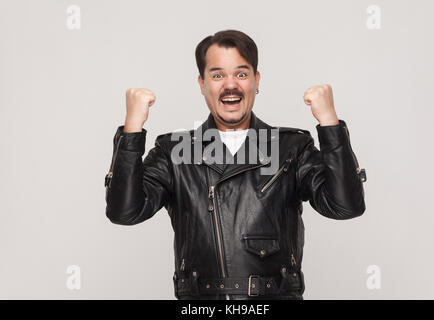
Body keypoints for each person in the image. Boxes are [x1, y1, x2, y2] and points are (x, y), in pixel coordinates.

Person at [104, 29, 367, 300]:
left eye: (241, 74)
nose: (230, 85)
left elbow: (345, 206)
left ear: (256, 80)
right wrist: (132, 129)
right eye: (217, 75)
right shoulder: (175, 152)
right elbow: (124, 212)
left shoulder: (291, 148)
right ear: (202, 84)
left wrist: (329, 122)